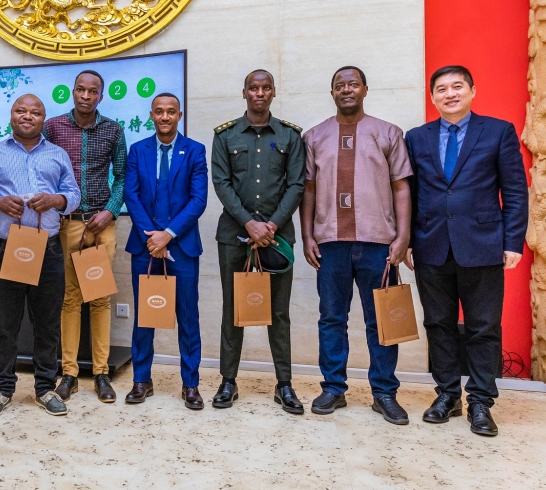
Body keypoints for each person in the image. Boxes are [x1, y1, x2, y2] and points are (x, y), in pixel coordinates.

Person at [404, 66, 528, 437]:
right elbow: (411, 194)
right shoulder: (416, 137)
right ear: (432, 97)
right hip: (431, 246)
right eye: (441, 89)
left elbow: (516, 191)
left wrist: (512, 242)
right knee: (438, 324)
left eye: (458, 86)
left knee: (483, 327)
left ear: (473, 90)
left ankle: (480, 402)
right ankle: (446, 395)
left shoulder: (498, 131)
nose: (450, 93)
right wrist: (408, 240)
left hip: (483, 245)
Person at [300, 66, 413, 425]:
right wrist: (307, 235)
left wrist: (402, 237)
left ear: (365, 88)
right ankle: (333, 388)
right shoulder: (314, 137)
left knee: (381, 320)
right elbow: (309, 190)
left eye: (352, 84)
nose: (346, 89)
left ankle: (384, 393)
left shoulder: (388, 133)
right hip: (330, 242)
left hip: (378, 243)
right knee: (331, 318)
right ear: (331, 93)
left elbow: (402, 187)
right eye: (339, 85)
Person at [0, 94, 82, 418]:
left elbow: (74, 195)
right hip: (7, 247)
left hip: (48, 249)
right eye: (21, 110)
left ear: (43, 118)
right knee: (5, 324)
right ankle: (2, 388)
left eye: (35, 112)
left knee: (47, 324)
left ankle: (45, 388)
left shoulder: (57, 154)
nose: (27, 116)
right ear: (11, 115)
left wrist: (56, 200)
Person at [210, 70, 307, 414]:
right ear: (245, 92)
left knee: (278, 313)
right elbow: (221, 184)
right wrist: (249, 224)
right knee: (232, 310)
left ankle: (284, 384)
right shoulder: (224, 136)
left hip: (277, 239)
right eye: (254, 88)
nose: (260, 93)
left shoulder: (291, 135)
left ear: (273, 92)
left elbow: (297, 184)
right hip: (234, 237)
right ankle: (228, 381)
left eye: (266, 88)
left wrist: (271, 225)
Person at [44, 70, 126, 403]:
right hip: (68, 224)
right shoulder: (52, 127)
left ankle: (102, 373)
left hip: (101, 224)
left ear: (101, 96)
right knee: (69, 299)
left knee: (100, 298)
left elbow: (121, 176)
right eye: (81, 89)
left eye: (93, 91)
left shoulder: (114, 129)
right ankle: (69, 373)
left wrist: (111, 209)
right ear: (72, 92)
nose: (86, 96)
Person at [123, 93, 208, 409]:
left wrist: (168, 235)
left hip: (182, 247)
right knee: (145, 315)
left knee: (188, 317)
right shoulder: (137, 150)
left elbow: (198, 200)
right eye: (159, 111)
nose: (165, 116)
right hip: (145, 247)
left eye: (171, 111)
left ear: (179, 115)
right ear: (151, 115)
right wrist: (152, 237)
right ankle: (141, 380)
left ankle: (191, 384)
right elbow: (131, 196)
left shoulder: (195, 151)